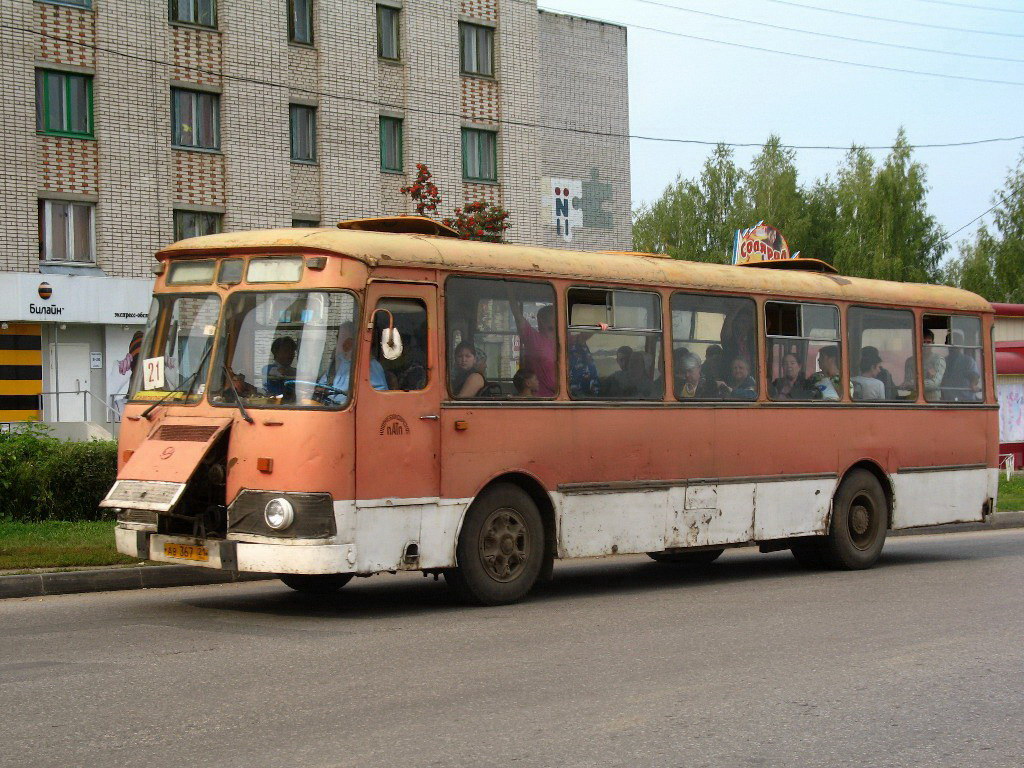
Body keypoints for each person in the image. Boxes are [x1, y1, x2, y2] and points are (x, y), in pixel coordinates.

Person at [319, 321, 388, 402]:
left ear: (355, 340)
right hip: (330, 408)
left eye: (344, 338)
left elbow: (379, 395)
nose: (341, 342)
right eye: (339, 337)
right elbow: (322, 386)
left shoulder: (370, 365)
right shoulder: (336, 363)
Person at [509, 293, 556, 396]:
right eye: (555, 316)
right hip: (543, 399)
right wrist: (510, 292)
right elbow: (518, 318)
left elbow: (581, 338)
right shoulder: (534, 339)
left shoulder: (562, 340)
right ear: (543, 322)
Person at [941, 330, 980, 402]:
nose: (954, 346)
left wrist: (973, 384)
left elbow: (975, 377)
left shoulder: (968, 361)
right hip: (946, 399)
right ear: (947, 345)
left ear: (961, 345)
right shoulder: (943, 361)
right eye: (951, 344)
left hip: (966, 400)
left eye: (956, 343)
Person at [568, 332, 600, 397]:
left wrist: (598, 327)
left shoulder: (578, 343)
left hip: (592, 389)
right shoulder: (564, 347)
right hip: (577, 393)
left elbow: (584, 335)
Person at [922, 329, 946, 402]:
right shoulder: (910, 361)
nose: (926, 345)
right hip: (913, 398)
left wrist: (913, 384)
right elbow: (907, 381)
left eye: (928, 342)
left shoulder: (939, 360)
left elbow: (934, 383)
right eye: (923, 342)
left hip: (932, 401)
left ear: (933, 343)